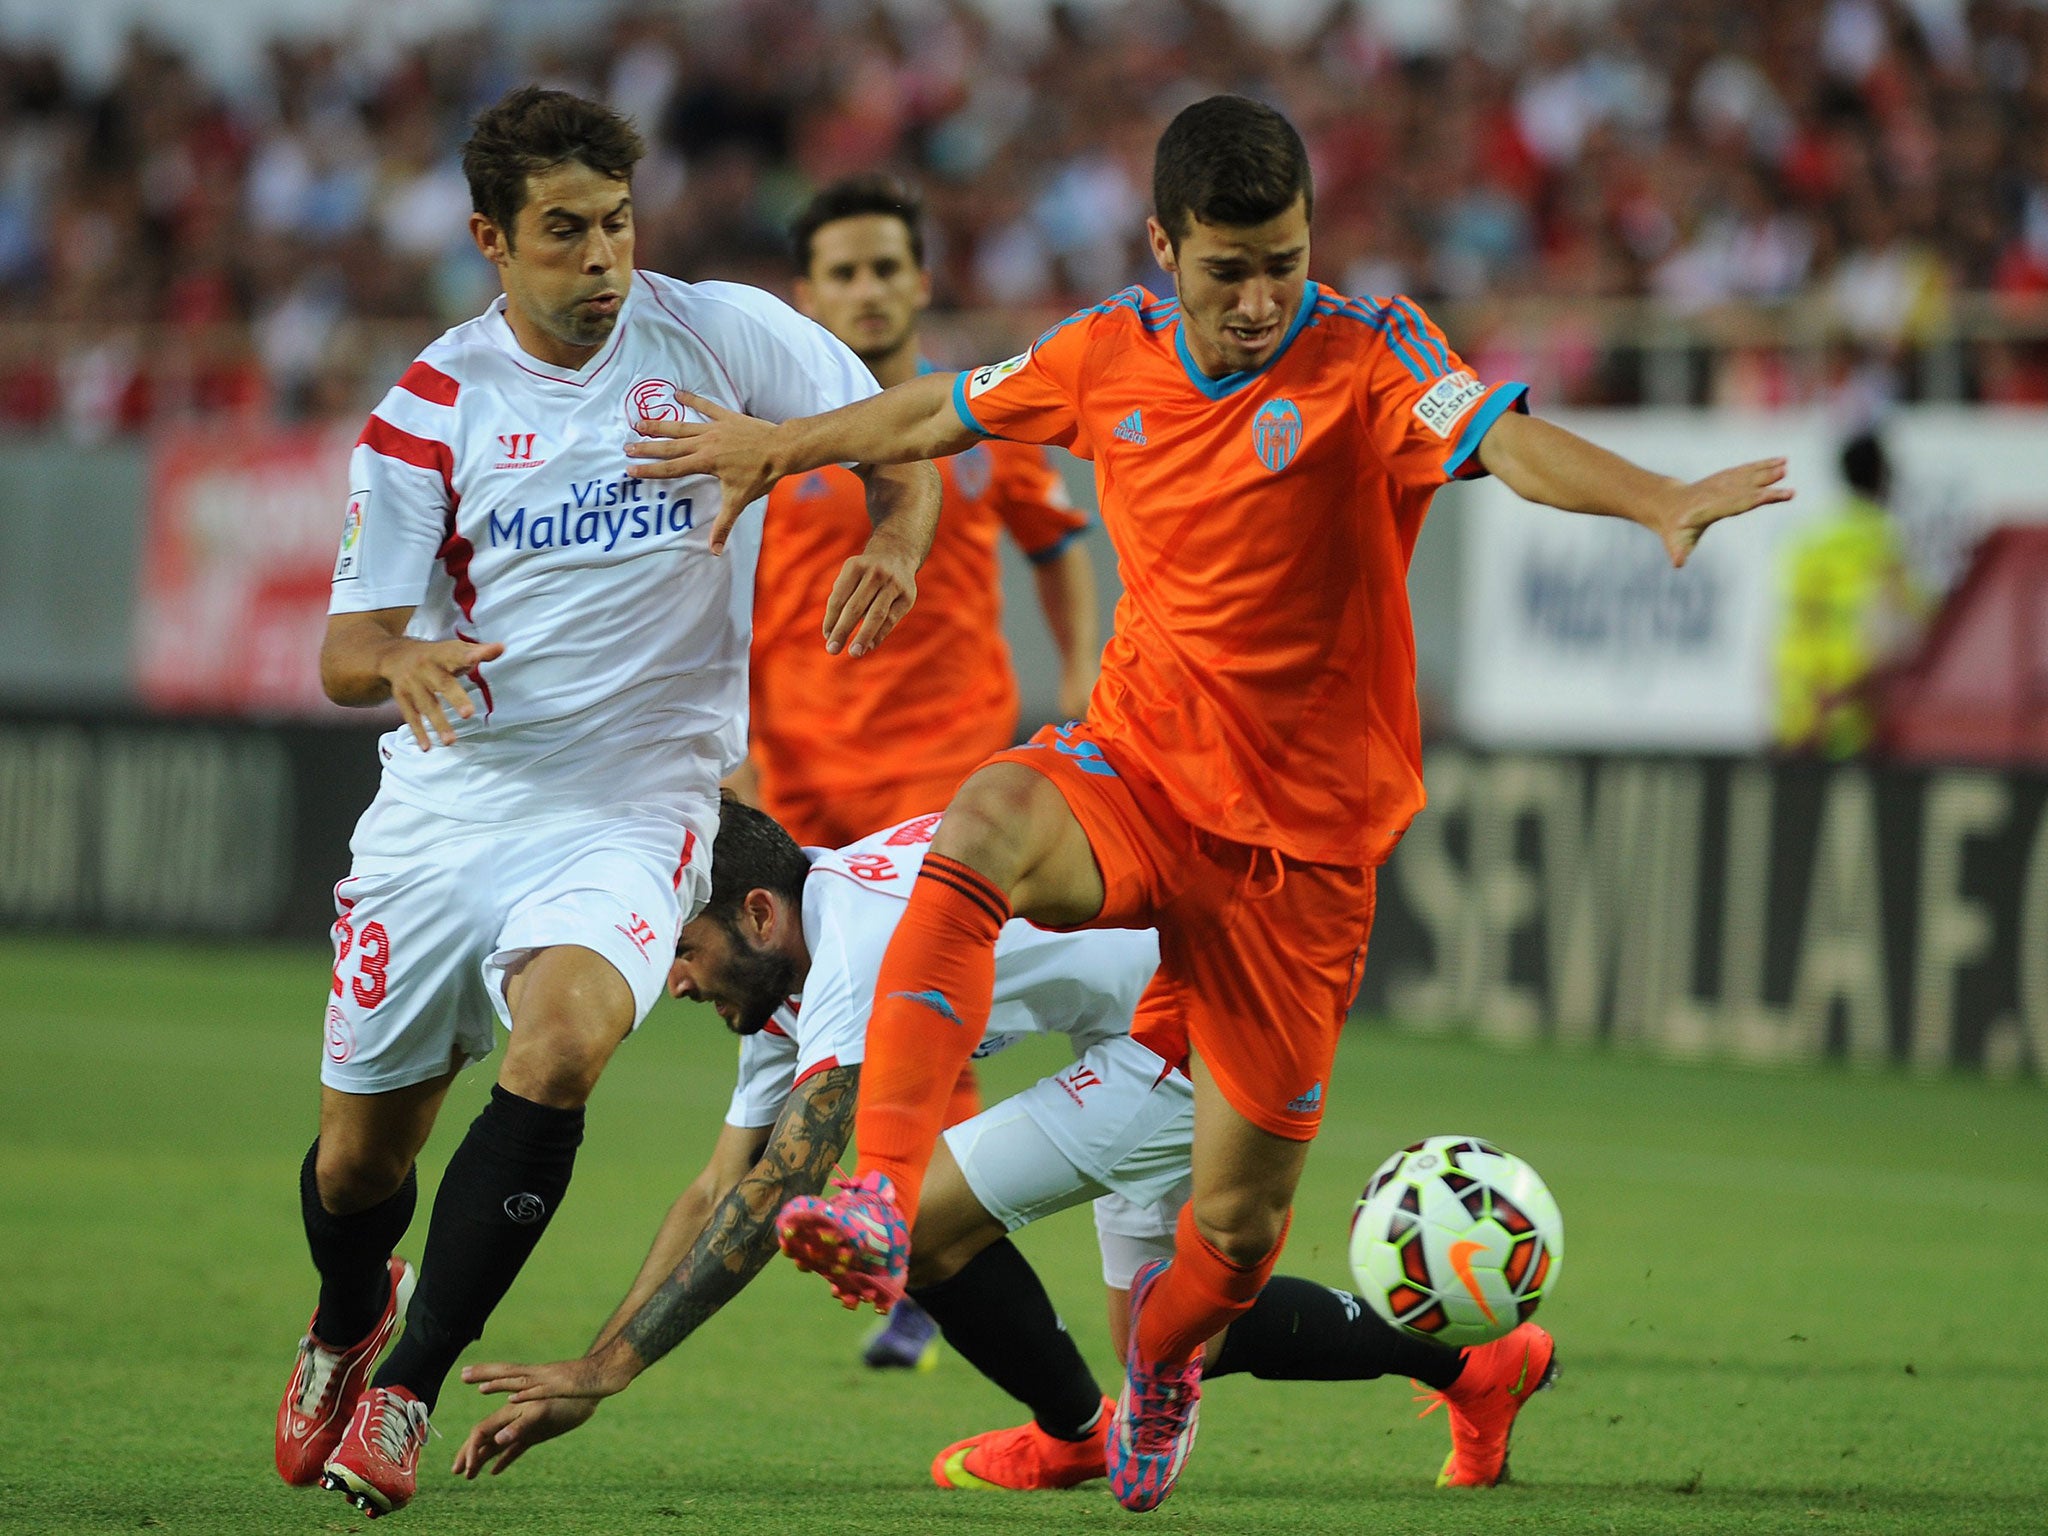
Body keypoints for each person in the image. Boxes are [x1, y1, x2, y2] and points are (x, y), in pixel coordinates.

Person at [628, 94, 1790, 1512]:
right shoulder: (1103, 348)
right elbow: (940, 407)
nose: (1256, 300)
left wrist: (1654, 498)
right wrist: (777, 446)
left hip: (1295, 870)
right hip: (1141, 778)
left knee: (1221, 1262)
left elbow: (1502, 441)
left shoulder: (1371, 351)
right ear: (1162, 243)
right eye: (1226, 267)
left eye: (1282, 264)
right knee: (987, 819)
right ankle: (880, 1192)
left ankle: (1171, 1375)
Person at [275, 85, 938, 1521]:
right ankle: (349, 1320)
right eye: (564, 233)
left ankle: (409, 1389)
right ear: (490, 242)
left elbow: (909, 433)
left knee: (566, 1043)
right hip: (452, 805)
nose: (601, 261)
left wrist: (894, 529)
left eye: (618, 226)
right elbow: (344, 651)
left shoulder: (720, 333)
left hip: (637, 804)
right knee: (355, 1166)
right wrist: (403, 655)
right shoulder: (429, 407)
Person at [442, 800, 1551, 1496]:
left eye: (681, 951)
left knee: (910, 1223)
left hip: (1187, 1017)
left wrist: (613, 1370)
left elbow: (783, 1185)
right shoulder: (791, 959)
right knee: (1179, 1340)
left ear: (757, 914)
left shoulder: (855, 951)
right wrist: (594, 1367)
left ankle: (1071, 1438)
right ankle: (1474, 1365)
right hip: (1145, 1000)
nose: (671, 979)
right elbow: (718, 1187)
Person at [739, 174, 1101, 1370]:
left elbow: (1059, 547)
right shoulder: (772, 430)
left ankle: (904, 1235)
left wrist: (1084, 679)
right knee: (817, 1045)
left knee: (928, 1026)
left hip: (947, 780)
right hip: (797, 788)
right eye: (841, 271)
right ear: (805, 292)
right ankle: (897, 1230)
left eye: (885, 266)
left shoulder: (980, 416)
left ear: (920, 280)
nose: (866, 289)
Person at [1773, 428, 1925, 757]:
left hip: (1801, 707)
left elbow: (1791, 626)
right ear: (1883, 475)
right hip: (1855, 710)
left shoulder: (1810, 538)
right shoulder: (1886, 542)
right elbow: (1904, 631)